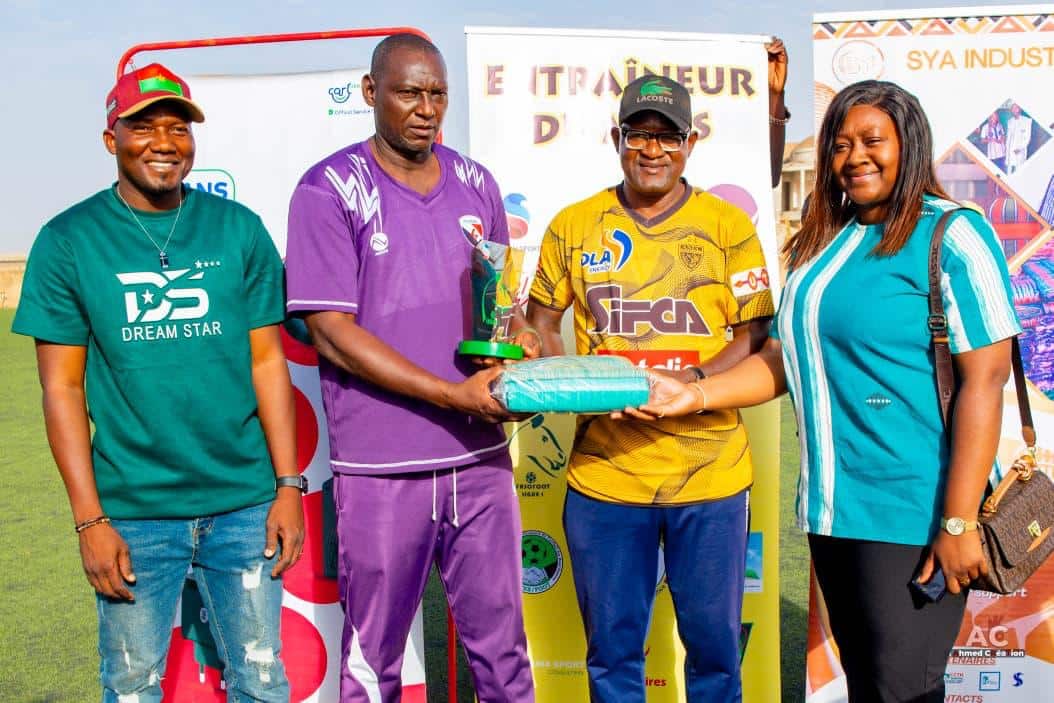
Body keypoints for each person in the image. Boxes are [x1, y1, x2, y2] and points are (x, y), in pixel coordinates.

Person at [631, 80, 1020, 703]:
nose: (855, 157)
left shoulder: (951, 233)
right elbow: (785, 359)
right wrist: (694, 393)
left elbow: (986, 380)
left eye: (872, 141)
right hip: (834, 513)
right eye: (841, 145)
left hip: (916, 514)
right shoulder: (823, 245)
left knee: (903, 690)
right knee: (868, 684)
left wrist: (958, 520)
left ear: (909, 144)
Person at [12, 63, 304, 702]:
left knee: (262, 681)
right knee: (132, 686)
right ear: (110, 138)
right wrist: (89, 521)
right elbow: (61, 390)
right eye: (144, 127)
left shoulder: (238, 229)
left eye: (178, 127)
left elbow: (267, 363)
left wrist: (287, 486)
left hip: (243, 505)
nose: (164, 142)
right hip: (133, 513)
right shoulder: (68, 240)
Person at [284, 34, 535, 703]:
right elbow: (332, 335)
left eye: (437, 94)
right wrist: (454, 395)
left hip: (479, 461)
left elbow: (499, 308)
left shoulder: (477, 183)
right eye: (409, 93)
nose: (426, 109)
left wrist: (520, 340)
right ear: (372, 93)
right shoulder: (328, 189)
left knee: (504, 655)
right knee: (375, 662)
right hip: (382, 469)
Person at [526, 59, 784, 701]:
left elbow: (755, 334)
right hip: (605, 476)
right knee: (613, 655)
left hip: (711, 476)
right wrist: (575, 381)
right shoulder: (573, 225)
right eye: (638, 134)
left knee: (716, 654)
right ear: (617, 139)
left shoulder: (729, 227)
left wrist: (690, 383)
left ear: (690, 142)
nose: (652, 149)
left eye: (667, 135)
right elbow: (541, 321)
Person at [1006, 102, 1033, 174]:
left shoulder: (1027, 121)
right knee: (1009, 169)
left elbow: (1028, 137)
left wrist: (1020, 148)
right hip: (1010, 149)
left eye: (1015, 108)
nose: (1014, 110)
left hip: (1020, 149)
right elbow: (1008, 137)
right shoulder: (1010, 121)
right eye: (1012, 108)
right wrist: (1007, 148)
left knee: (1019, 169)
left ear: (1019, 109)